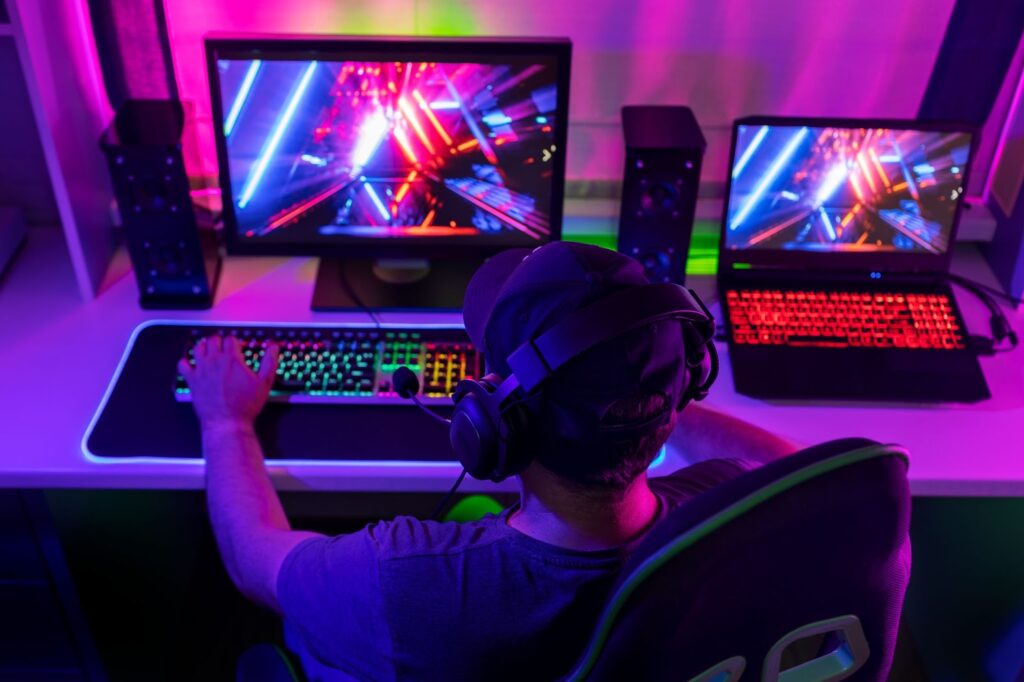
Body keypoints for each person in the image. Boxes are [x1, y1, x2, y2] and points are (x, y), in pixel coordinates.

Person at [178, 242, 796, 681]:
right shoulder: (732, 515)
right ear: (686, 381)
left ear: (496, 420)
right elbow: (787, 464)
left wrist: (226, 421)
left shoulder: (403, 577)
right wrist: (642, 389)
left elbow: (251, 560)